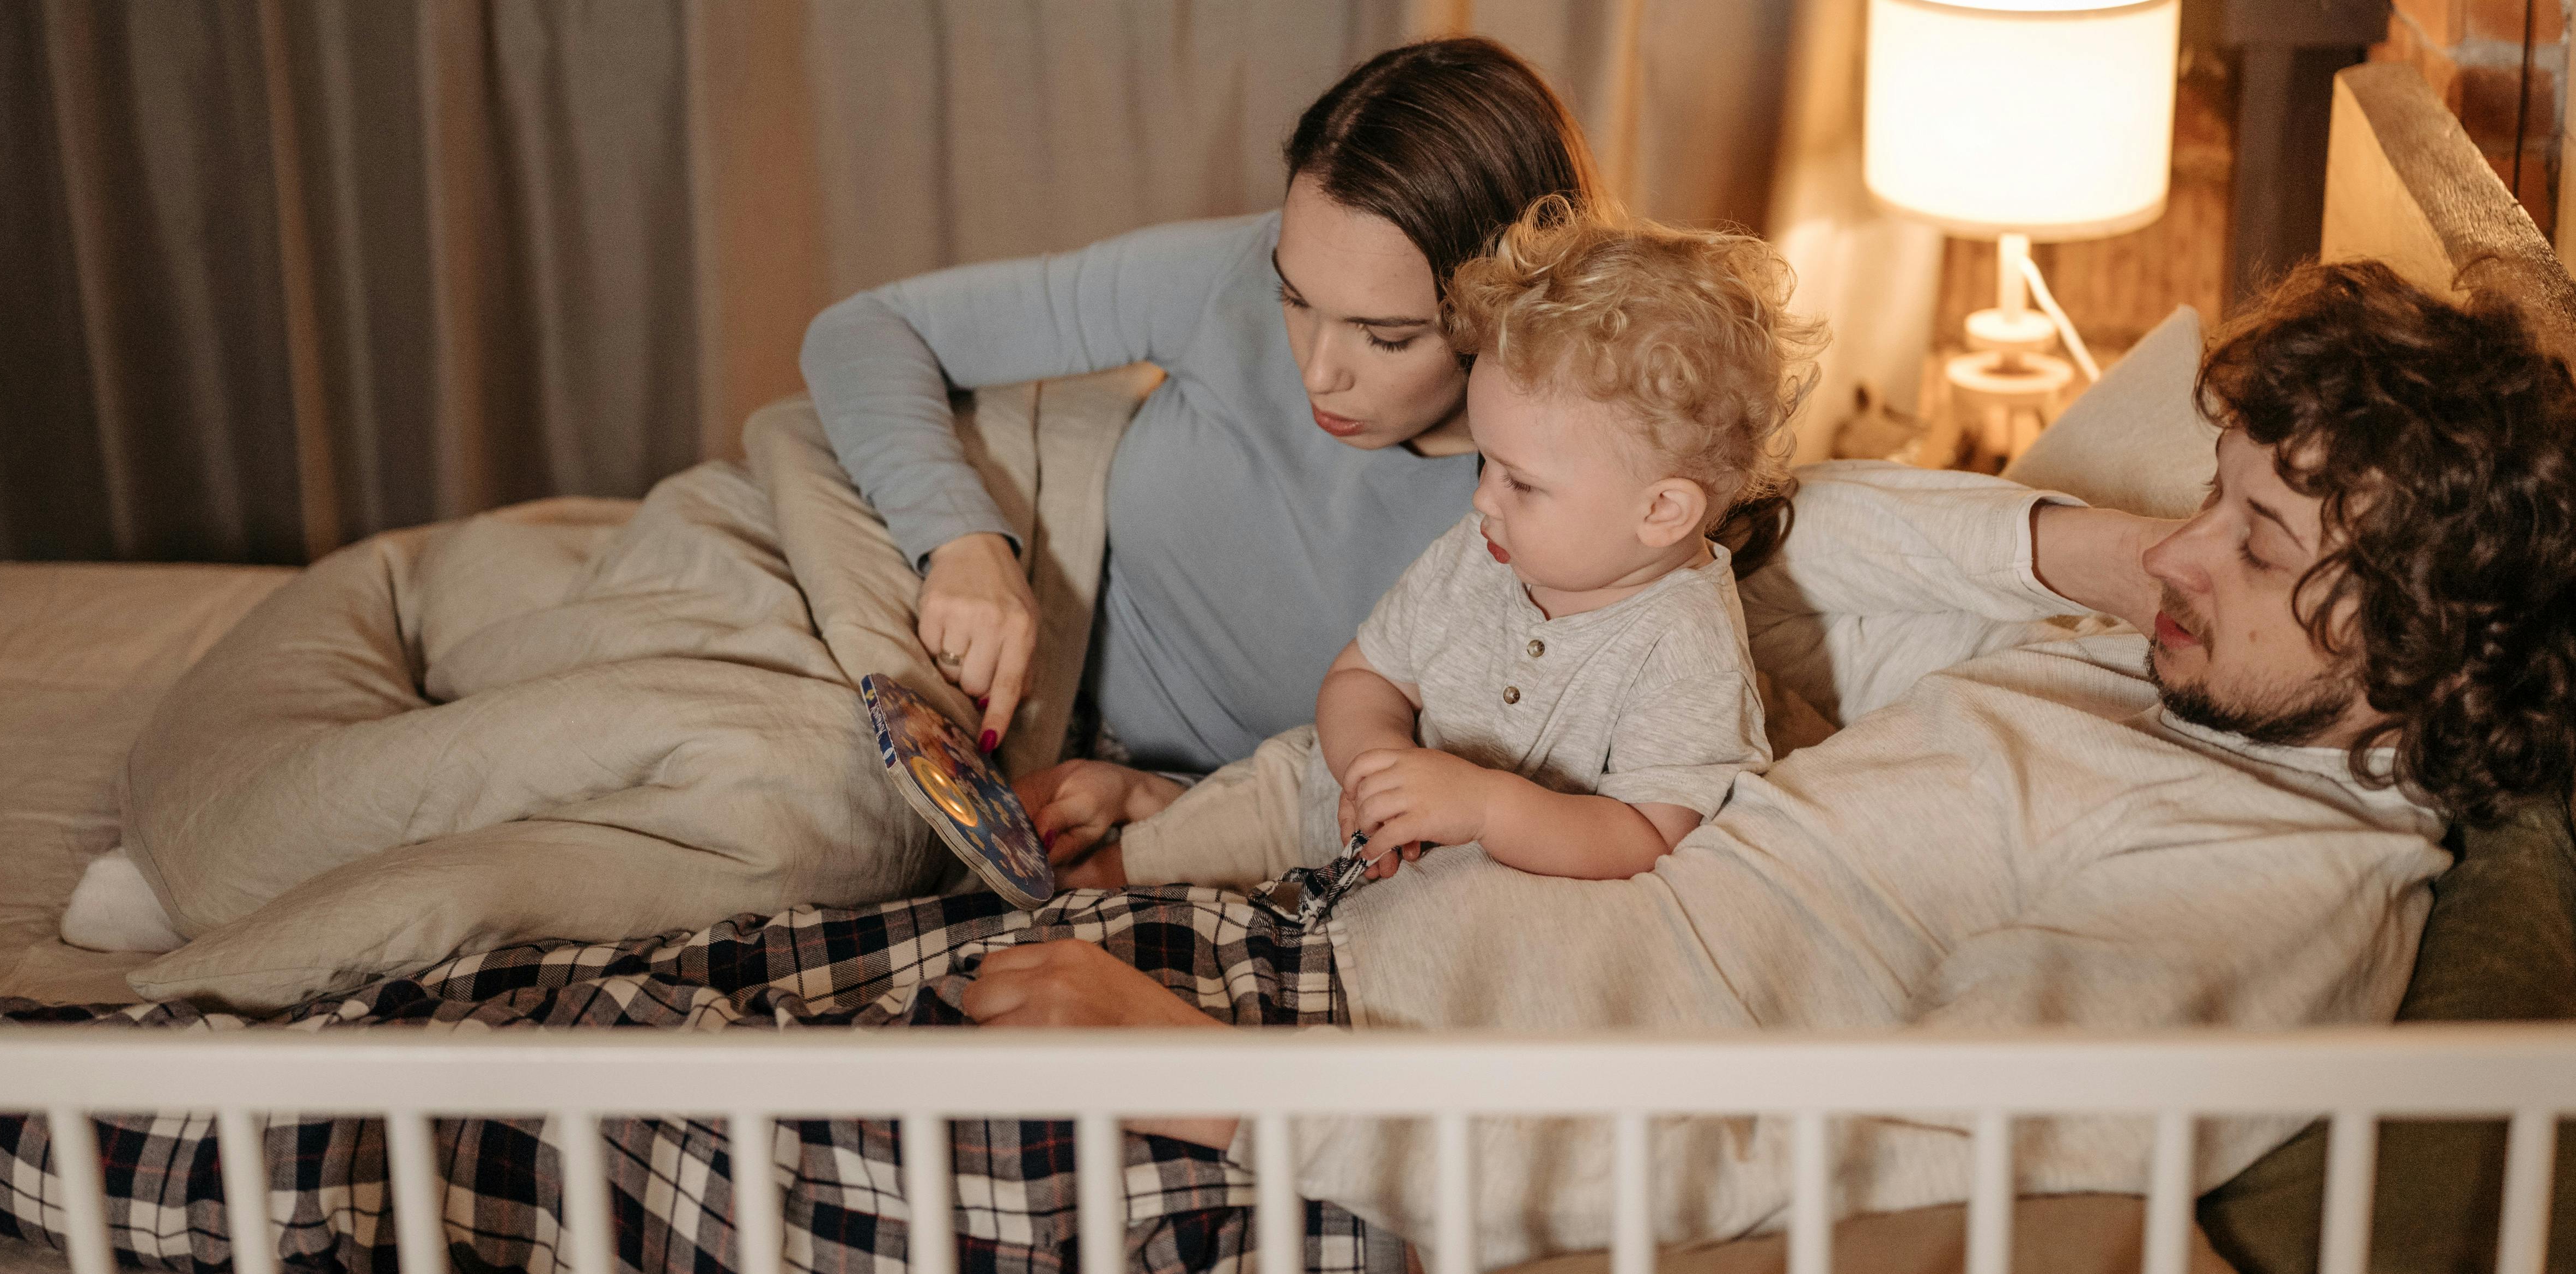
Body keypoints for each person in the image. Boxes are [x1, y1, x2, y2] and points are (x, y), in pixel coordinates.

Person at [941, 259, 2576, 1260]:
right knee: (686, 1013)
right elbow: (1787, 538)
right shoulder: (2176, 681)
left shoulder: (2267, 886)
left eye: (2258, 536)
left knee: (690, 1139)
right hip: (1331, 959)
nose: (2185, 559)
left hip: (1340, 1147)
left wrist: (1227, 1095)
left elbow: (1842, 1166)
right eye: (2208, 501)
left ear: (2420, 635)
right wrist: (2132, 546)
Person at [800, 37, 1601, 766]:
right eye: (1293, 297)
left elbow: (1459, 796)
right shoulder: (1230, 271)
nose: (1317, 372)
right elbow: (864, 330)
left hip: (1209, 821)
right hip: (998, 664)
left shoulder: (1571, 500)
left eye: (1384, 337)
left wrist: (1169, 807)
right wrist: (962, 540)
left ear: (1511, 308)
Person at [1083, 204, 1820, 892]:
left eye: (1521, 483)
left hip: (1461, 891)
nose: (1480, 498)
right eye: (1487, 464)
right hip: (1312, 805)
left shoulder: (1684, 648)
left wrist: (1487, 809)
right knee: (1119, 877)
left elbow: (1650, 836)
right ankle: (1109, 864)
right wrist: (1377, 767)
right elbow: (1364, 676)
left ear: (1661, 512)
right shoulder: (1484, 547)